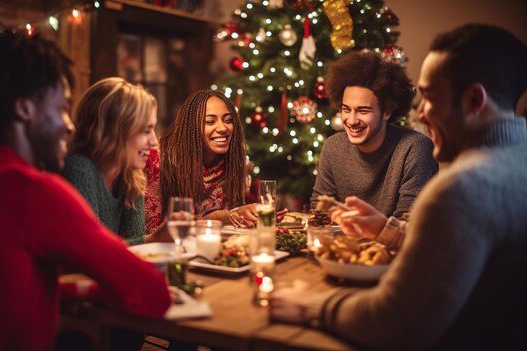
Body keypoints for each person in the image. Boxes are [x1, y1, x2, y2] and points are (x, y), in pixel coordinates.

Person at [0, 31, 171, 350]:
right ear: (24, 109)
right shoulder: (38, 194)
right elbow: (152, 293)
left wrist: (64, 297)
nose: (70, 125)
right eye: (62, 107)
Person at [270, 24, 527, 350]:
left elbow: (393, 322)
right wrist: (387, 230)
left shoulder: (462, 189)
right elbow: (454, 249)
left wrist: (311, 305)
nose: (420, 112)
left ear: (475, 99)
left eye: (430, 97)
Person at [310, 51, 438, 218]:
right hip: (342, 242)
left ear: (386, 112)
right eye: (346, 109)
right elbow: (320, 212)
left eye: (363, 111)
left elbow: (410, 223)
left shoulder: (415, 148)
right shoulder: (333, 146)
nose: (352, 120)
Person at [63, 77, 170, 245]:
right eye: (145, 130)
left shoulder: (131, 176)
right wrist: (154, 239)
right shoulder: (79, 169)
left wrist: (149, 241)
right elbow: (89, 250)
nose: (154, 141)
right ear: (115, 131)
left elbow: (134, 246)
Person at [145, 90, 258, 234]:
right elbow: (151, 231)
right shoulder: (159, 160)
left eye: (228, 120)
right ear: (191, 127)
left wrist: (247, 215)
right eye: (210, 122)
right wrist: (217, 218)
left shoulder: (231, 161)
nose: (223, 128)